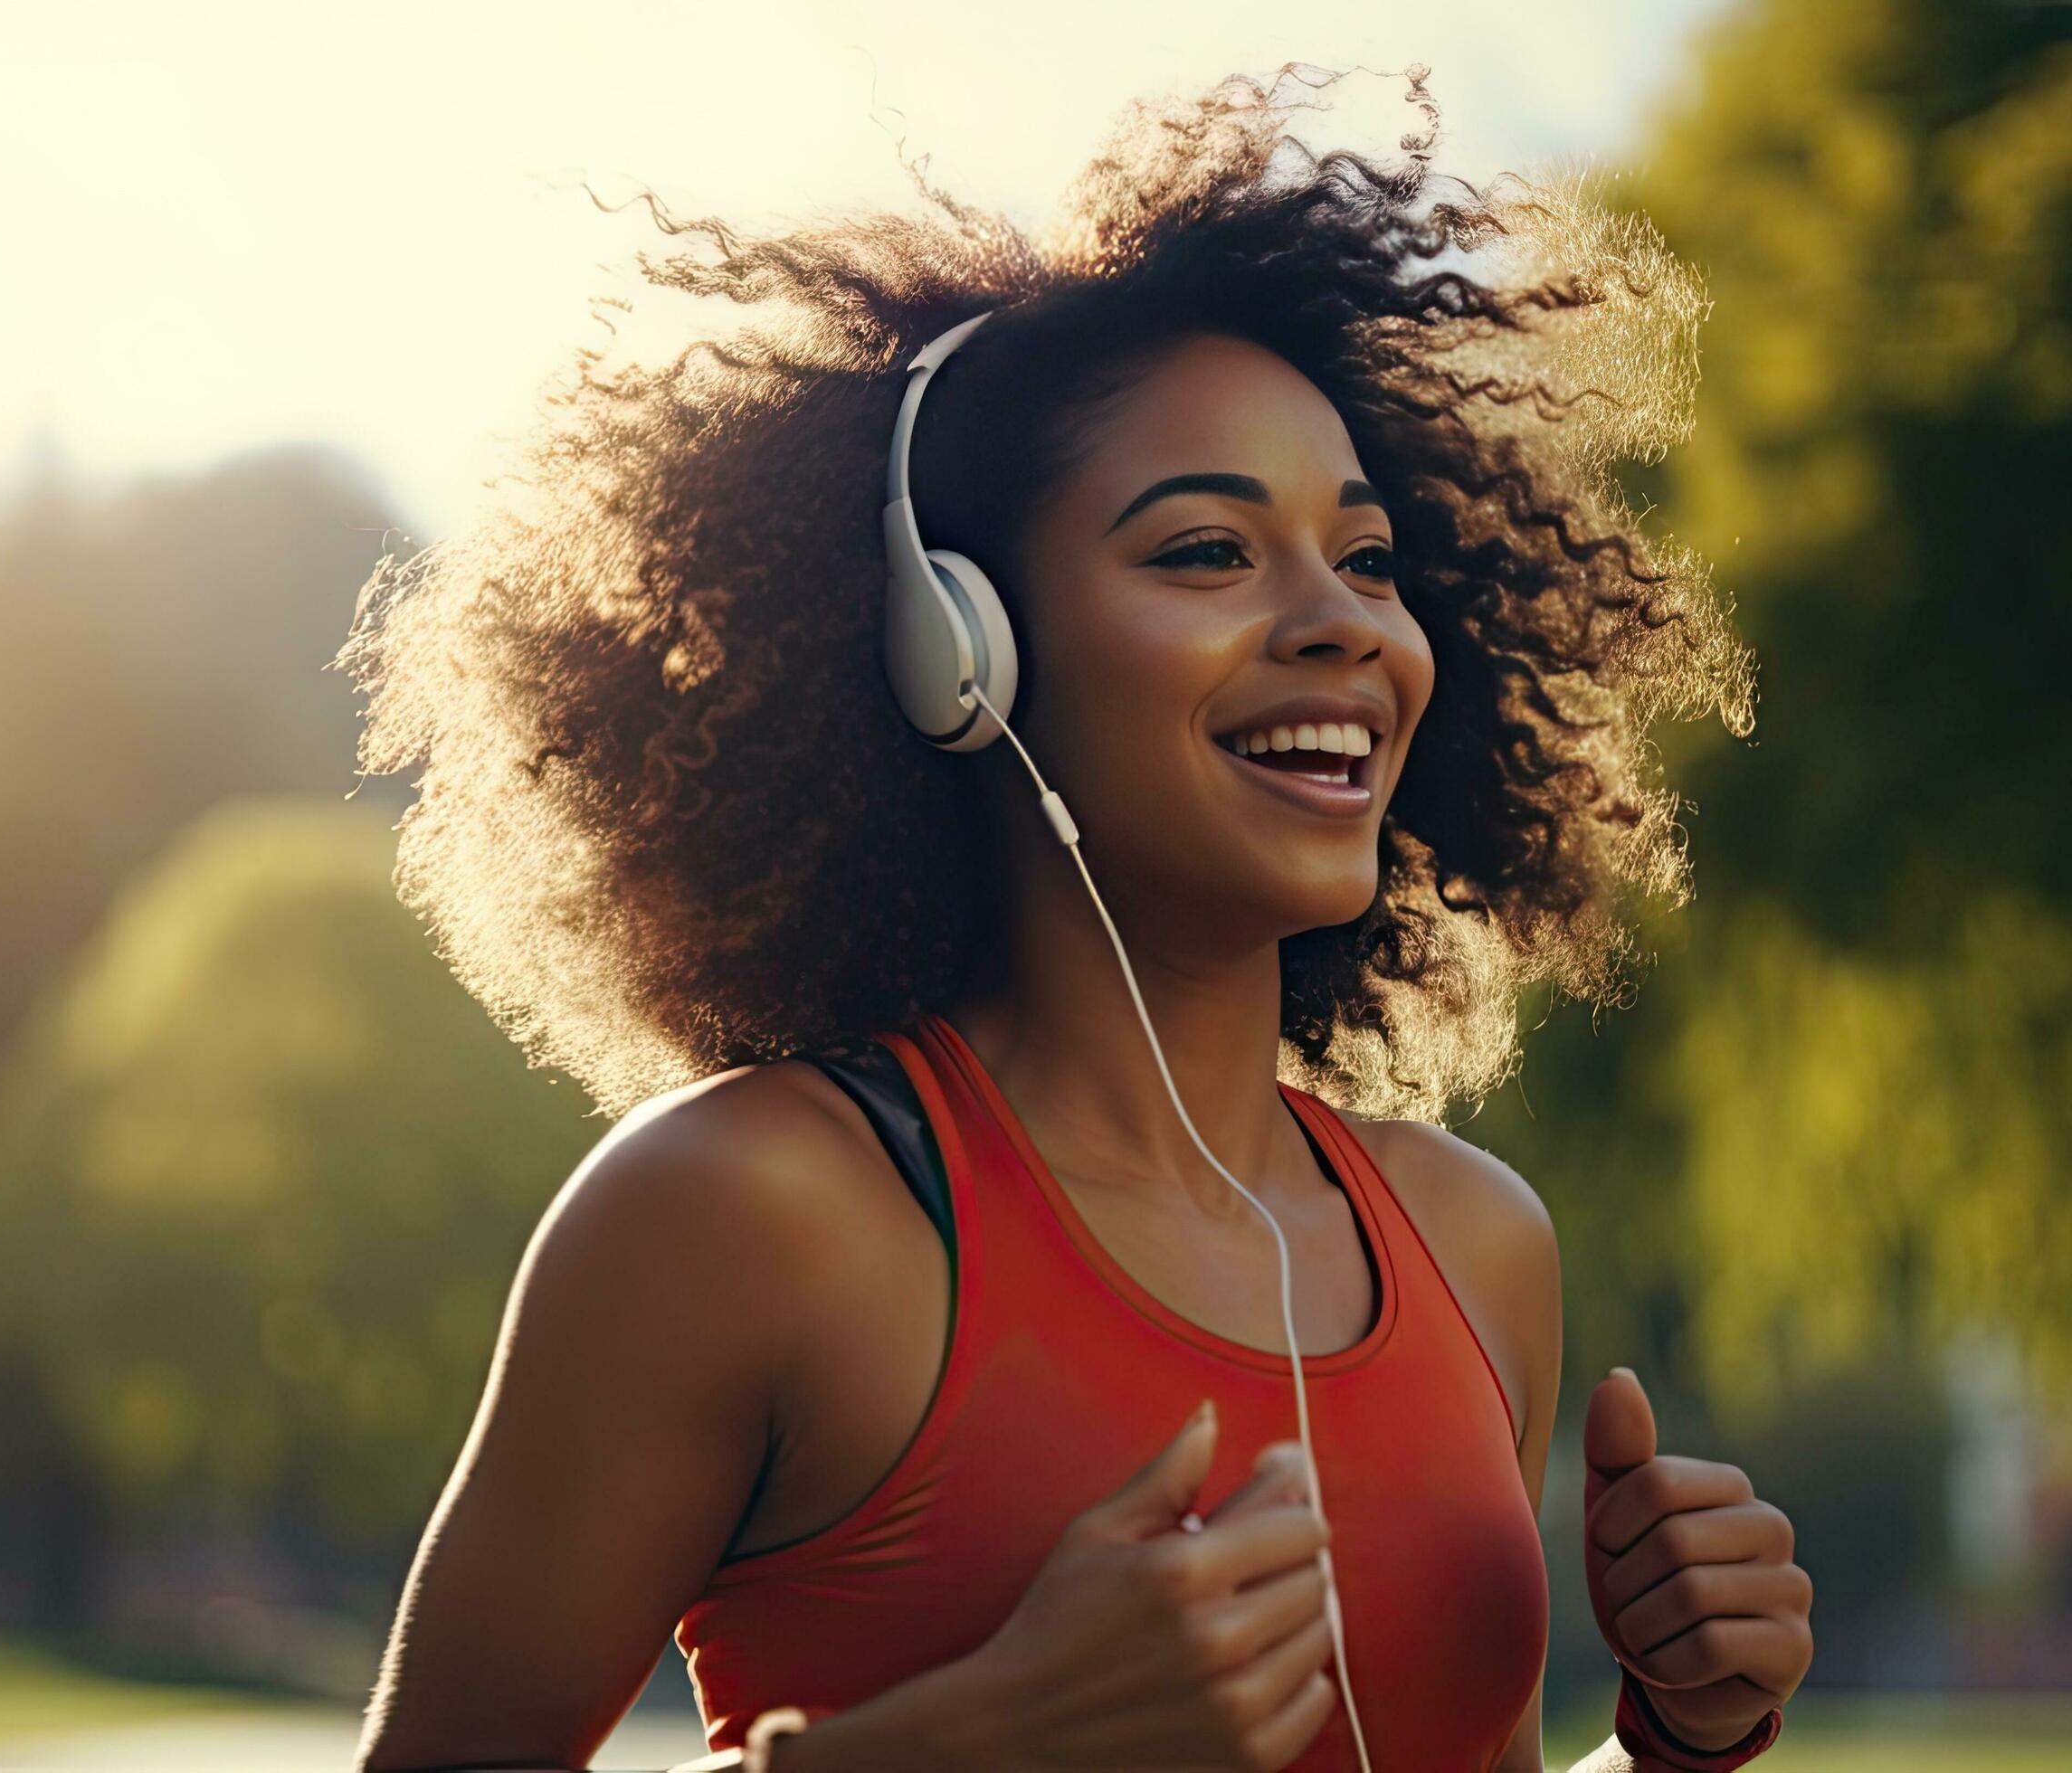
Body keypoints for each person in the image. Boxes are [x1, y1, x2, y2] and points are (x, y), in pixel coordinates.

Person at [339, 67, 1812, 1773]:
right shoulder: (749, 1214)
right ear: (957, 651)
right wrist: (975, 1742)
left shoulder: (1477, 1244)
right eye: (1203, 552)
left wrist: (1677, 1741)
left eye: (1368, 558)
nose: (1342, 625)